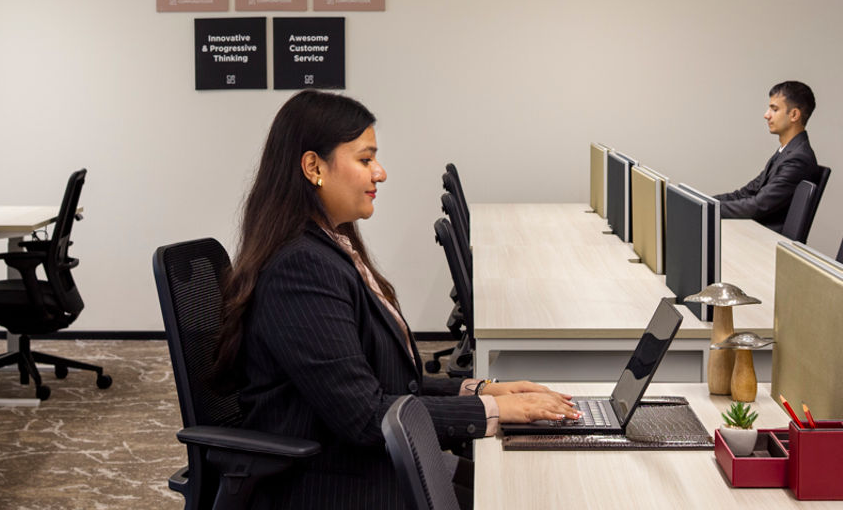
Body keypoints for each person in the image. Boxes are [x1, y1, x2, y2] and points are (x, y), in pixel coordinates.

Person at [214, 90, 578, 509]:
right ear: (314, 166)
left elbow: (380, 383)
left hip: (362, 464)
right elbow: (367, 417)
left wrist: (482, 391)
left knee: (522, 488)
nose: (380, 173)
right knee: (522, 495)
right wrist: (496, 413)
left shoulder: (330, 246)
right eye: (365, 159)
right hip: (333, 485)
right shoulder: (300, 269)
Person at [715, 81, 822, 234]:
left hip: (767, 242)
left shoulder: (798, 159)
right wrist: (702, 201)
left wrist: (707, 208)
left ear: (794, 115)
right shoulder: (785, 153)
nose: (766, 115)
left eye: (774, 109)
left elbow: (757, 206)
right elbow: (746, 193)